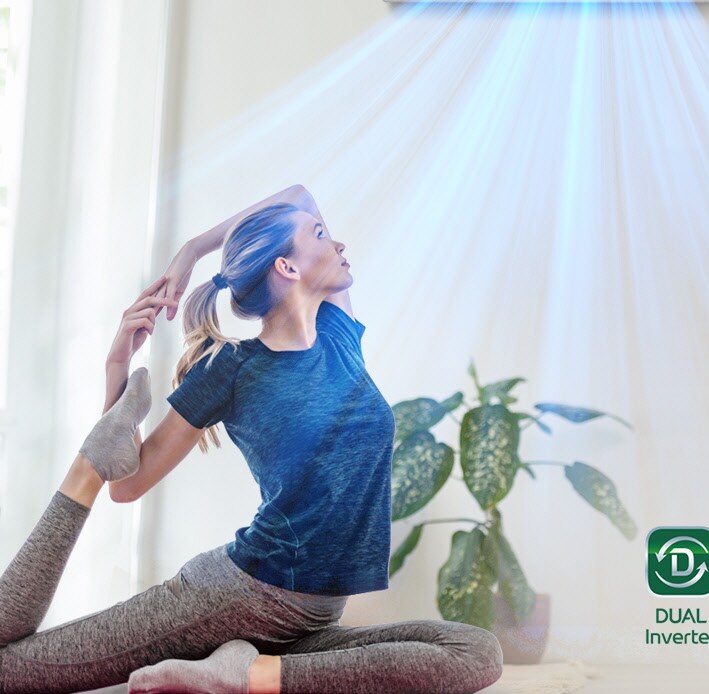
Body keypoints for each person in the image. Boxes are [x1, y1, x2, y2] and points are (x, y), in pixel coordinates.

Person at [0, 183, 503, 693]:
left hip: (310, 617)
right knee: (9, 671)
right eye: (322, 235)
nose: (339, 243)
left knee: (474, 651)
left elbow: (301, 195)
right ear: (287, 268)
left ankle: (251, 673)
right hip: (234, 598)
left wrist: (194, 249)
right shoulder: (232, 368)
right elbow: (127, 484)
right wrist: (117, 366)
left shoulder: (338, 333)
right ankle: (83, 470)